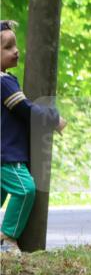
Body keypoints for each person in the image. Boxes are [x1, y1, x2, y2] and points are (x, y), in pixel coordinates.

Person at [1, 20, 67, 254]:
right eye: (8, 47)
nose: (16, 51)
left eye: (15, 45)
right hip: (8, 155)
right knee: (25, 189)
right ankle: (7, 239)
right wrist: (53, 119)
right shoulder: (4, 83)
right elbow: (27, 110)